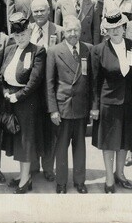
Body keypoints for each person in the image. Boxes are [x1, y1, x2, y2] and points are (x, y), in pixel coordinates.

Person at [91, 15, 132, 192]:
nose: (115, 30)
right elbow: (95, 81)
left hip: (129, 102)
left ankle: (120, 174)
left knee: (125, 140)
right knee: (109, 141)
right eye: (111, 28)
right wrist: (95, 106)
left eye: (118, 26)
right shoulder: (98, 50)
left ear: (124, 27)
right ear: (106, 30)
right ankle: (109, 177)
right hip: (108, 102)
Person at [43, 24, 90, 194]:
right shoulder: (54, 51)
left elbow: (91, 82)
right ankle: (61, 183)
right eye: (69, 30)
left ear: (80, 31)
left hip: (81, 108)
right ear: (64, 33)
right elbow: (49, 83)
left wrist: (92, 107)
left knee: (80, 147)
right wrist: (53, 110)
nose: (73, 33)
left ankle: (80, 181)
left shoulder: (87, 49)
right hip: (62, 107)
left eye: (76, 30)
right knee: (61, 148)